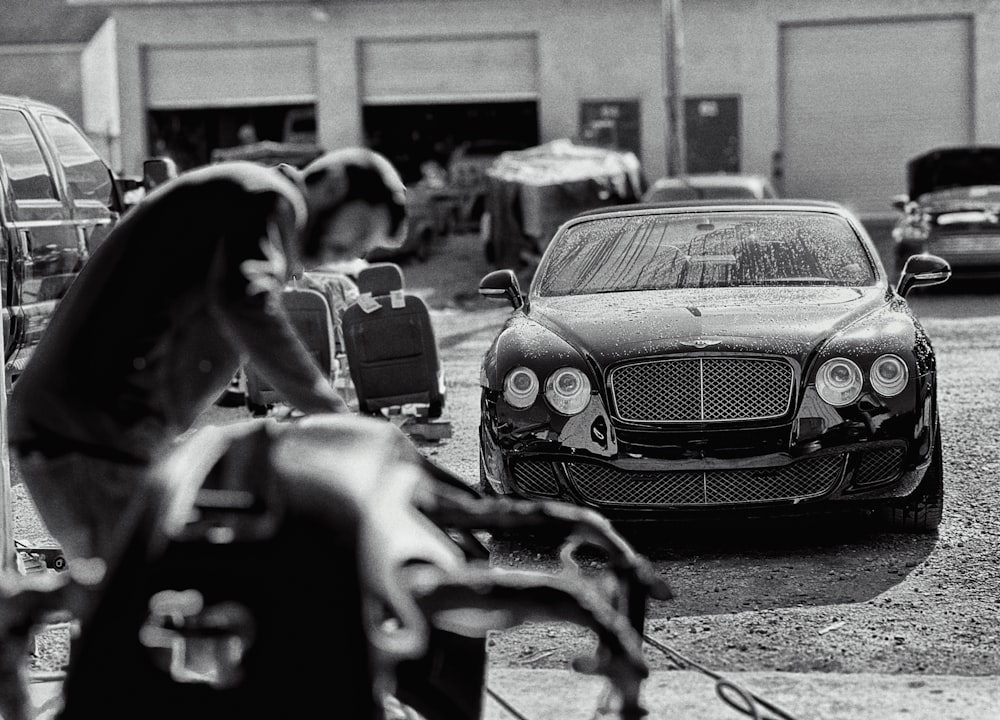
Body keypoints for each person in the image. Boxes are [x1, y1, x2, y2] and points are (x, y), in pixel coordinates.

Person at [7, 147, 408, 584]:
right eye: (360, 231)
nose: (349, 252)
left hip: (101, 433)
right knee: (135, 602)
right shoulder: (267, 197)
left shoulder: (243, 203)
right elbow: (245, 301)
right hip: (89, 432)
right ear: (332, 185)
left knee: (135, 592)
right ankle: (17, 617)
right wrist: (331, 413)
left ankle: (26, 613)